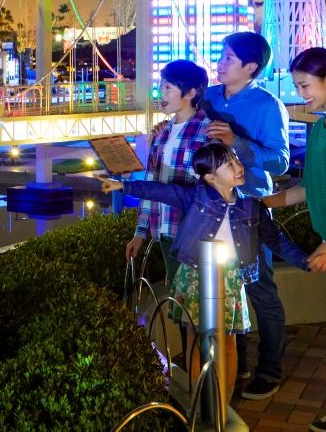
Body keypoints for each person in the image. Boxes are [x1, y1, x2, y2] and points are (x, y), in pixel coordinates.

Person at [100, 141, 311, 407]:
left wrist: (306, 261)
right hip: (194, 275)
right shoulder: (196, 197)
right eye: (229, 164)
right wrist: (122, 186)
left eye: (236, 160)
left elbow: (276, 240)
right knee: (195, 340)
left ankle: (222, 405)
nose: (238, 167)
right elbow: (161, 191)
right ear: (210, 177)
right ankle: (199, 401)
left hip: (230, 280)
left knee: (228, 342)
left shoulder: (251, 206)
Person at [264, 48, 326, 432]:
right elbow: (306, 188)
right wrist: (261, 203)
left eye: (305, 85)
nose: (300, 94)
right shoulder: (320, 129)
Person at [203, 31, 291, 399]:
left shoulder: (268, 105)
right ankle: (235, 362)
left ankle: (270, 369)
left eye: (228, 58)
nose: (220, 63)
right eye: (221, 56)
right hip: (209, 207)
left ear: (250, 67)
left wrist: (236, 142)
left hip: (249, 209)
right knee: (221, 289)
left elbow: (280, 161)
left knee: (259, 289)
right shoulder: (208, 97)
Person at [124, 60, 212, 281]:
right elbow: (151, 184)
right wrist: (140, 232)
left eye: (168, 87)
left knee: (198, 295)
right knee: (177, 294)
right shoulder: (161, 133)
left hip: (194, 232)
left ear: (190, 93)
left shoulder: (209, 131)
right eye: (160, 86)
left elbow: (214, 189)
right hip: (164, 229)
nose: (160, 92)